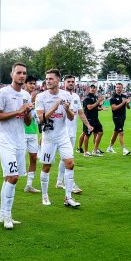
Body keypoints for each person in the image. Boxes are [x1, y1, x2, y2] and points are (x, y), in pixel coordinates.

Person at [0, 62, 33, 229]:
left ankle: (2, 214)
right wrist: (19, 110)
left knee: (9, 178)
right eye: (18, 73)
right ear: (12, 74)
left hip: (19, 140)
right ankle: (8, 216)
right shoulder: (2, 93)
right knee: (13, 176)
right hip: (5, 140)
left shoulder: (27, 95)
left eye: (24, 73)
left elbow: (28, 122)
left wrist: (28, 111)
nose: (22, 76)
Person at [35, 69, 80, 208]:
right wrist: (55, 107)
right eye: (47, 78)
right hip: (49, 137)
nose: (48, 81)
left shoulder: (67, 95)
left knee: (70, 164)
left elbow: (72, 117)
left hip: (63, 135)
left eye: (51, 79)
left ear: (58, 80)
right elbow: (41, 119)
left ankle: (68, 197)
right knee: (46, 167)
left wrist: (67, 109)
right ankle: (44, 195)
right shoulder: (41, 97)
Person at [56, 76, 93, 193]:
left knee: (66, 158)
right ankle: (69, 183)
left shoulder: (76, 97)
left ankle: (60, 182)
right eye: (69, 81)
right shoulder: (60, 95)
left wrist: (87, 125)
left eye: (73, 81)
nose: (71, 83)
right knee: (65, 159)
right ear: (64, 83)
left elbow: (81, 113)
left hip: (72, 133)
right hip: (60, 132)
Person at [23, 75, 41, 193]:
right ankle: (9, 182)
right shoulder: (21, 97)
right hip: (21, 132)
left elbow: (37, 116)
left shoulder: (36, 98)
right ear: (25, 84)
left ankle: (29, 185)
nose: (32, 86)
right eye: (30, 83)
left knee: (33, 158)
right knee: (16, 159)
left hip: (33, 132)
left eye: (34, 84)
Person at [107, 83, 131, 155]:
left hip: (123, 116)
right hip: (116, 117)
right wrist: (123, 102)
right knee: (121, 132)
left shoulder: (124, 96)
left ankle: (110, 147)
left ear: (122, 88)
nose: (118, 89)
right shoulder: (113, 97)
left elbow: (128, 107)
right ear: (115, 88)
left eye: (119, 87)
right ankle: (124, 149)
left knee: (116, 132)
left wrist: (127, 103)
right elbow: (114, 108)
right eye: (117, 87)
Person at [81, 84, 104, 157]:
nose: (93, 89)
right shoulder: (87, 98)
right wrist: (98, 102)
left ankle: (95, 150)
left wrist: (101, 107)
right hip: (89, 119)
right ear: (89, 89)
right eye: (92, 88)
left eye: (94, 88)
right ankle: (86, 151)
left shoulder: (94, 97)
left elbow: (95, 108)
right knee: (87, 135)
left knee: (100, 132)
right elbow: (89, 107)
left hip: (95, 118)